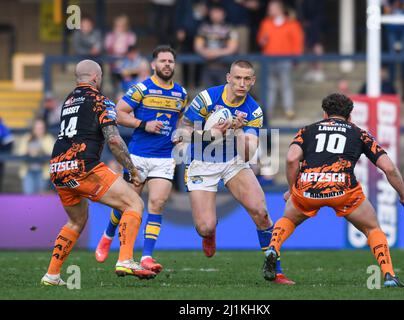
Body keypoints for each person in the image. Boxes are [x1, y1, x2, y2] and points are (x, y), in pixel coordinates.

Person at [262, 93, 404, 287]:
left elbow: (291, 159)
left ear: (325, 114)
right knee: (372, 228)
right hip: (343, 190)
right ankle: (389, 275)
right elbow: (389, 168)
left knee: (288, 219)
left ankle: (273, 247)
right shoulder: (359, 133)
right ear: (350, 116)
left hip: (309, 187)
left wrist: (293, 190)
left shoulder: (307, 130)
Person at [176, 60, 295, 285]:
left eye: (246, 79)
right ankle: (210, 233)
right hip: (202, 161)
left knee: (261, 212)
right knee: (204, 226)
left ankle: (275, 270)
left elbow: (248, 154)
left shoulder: (253, 110)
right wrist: (209, 134)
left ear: (253, 81)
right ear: (228, 77)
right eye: (237, 78)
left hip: (233, 161)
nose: (241, 83)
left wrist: (238, 130)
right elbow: (183, 130)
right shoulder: (207, 98)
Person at [41, 60, 154, 286]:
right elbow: (113, 138)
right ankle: (125, 260)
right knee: (133, 204)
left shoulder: (69, 100)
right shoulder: (100, 100)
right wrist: (132, 169)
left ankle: (52, 275)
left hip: (58, 168)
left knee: (76, 220)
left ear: (78, 79)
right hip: (84, 167)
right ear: (95, 78)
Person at [95, 46, 188, 276]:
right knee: (128, 202)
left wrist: (180, 135)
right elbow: (119, 113)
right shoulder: (141, 89)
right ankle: (107, 235)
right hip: (138, 156)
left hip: (165, 157)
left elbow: (181, 122)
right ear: (154, 65)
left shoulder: (181, 94)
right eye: (163, 61)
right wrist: (144, 125)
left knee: (157, 203)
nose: (167, 64)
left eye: (171, 61)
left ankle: (146, 256)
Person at [257, 0, 304, 120]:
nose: (269, 9)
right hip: (268, 60)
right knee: (270, 87)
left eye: (272, 7)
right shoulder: (266, 23)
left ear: (279, 8)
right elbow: (260, 41)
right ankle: (267, 112)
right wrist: (263, 40)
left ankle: (289, 109)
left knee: (286, 85)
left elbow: (297, 43)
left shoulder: (292, 24)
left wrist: (296, 59)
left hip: (285, 60)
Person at [194, 4, 239, 87]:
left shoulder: (230, 28)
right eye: (214, 12)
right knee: (208, 95)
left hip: (224, 68)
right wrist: (205, 52)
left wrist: (215, 53)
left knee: (224, 94)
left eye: (219, 12)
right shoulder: (204, 28)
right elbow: (198, 46)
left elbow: (232, 48)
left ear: (224, 14)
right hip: (207, 67)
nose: (216, 15)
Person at [16, 118, 54, 194]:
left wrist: (41, 150)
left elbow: (53, 154)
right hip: (28, 171)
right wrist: (27, 151)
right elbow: (19, 153)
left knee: (41, 196)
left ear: (44, 128)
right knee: (28, 195)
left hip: (43, 172)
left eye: (41, 128)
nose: (39, 130)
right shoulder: (27, 137)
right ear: (33, 128)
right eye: (37, 128)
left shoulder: (48, 138)